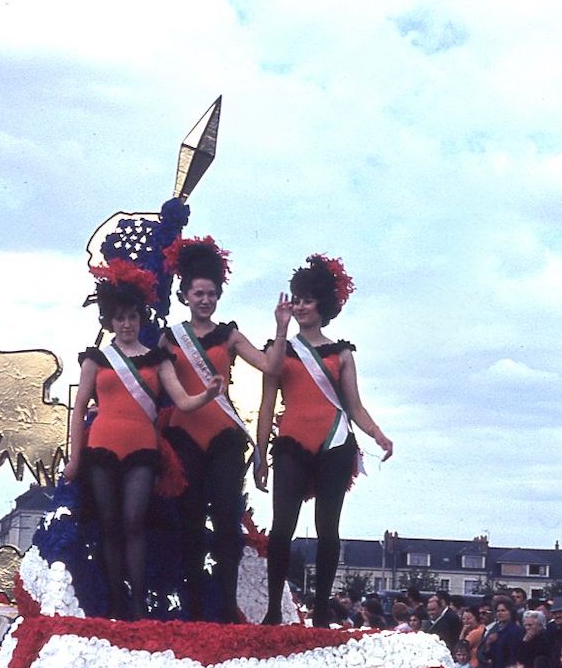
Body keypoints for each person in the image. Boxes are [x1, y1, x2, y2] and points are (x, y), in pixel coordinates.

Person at [64, 260, 224, 620]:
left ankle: (136, 604)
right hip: (101, 448)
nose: (126, 324)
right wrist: (74, 459)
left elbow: (183, 400)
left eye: (133, 317)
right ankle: (115, 604)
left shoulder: (157, 359)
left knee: (134, 521)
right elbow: (78, 412)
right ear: (110, 320)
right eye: (119, 318)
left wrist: (208, 395)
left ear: (141, 319)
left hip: (142, 450)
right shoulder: (96, 360)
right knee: (109, 523)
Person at [255, 254, 393, 627]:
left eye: (307, 299)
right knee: (282, 526)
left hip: (334, 443)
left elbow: (355, 406)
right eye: (296, 299)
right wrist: (257, 452)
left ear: (324, 305)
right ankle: (273, 610)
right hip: (290, 444)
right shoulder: (278, 349)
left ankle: (319, 611)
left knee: (327, 528)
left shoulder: (342, 353)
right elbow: (268, 404)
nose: (299, 305)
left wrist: (378, 435)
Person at [160, 236, 289, 622]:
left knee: (226, 520)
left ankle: (227, 606)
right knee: (190, 523)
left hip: (223, 439)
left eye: (212, 294)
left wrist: (281, 327)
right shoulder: (170, 338)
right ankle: (195, 606)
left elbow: (270, 366)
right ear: (185, 296)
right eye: (198, 293)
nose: (205, 300)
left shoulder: (229, 335)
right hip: (183, 436)